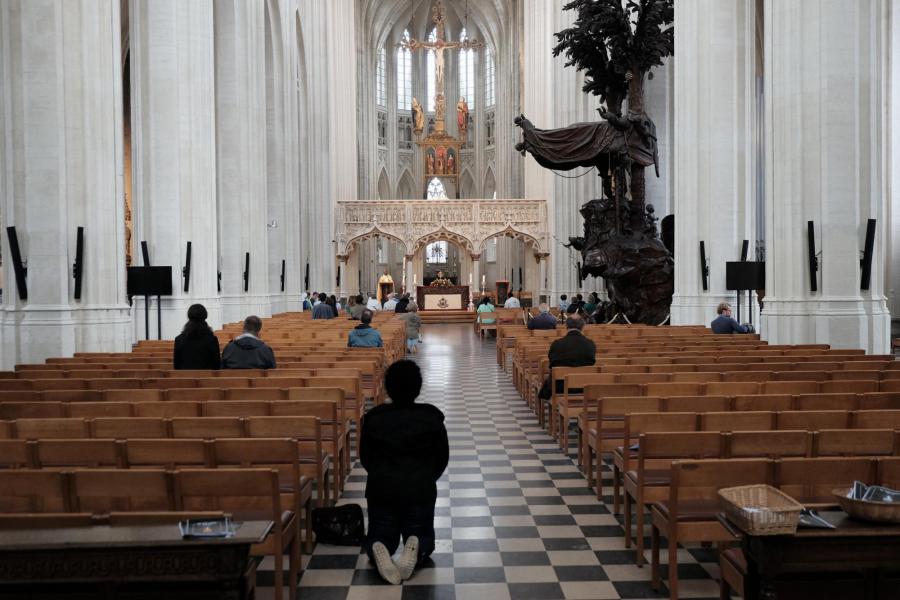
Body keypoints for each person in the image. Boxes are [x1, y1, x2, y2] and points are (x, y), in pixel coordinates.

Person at [360, 360, 449, 585]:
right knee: (421, 529)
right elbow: (442, 457)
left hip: (382, 485)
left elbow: (365, 457)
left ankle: (379, 546)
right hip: (420, 485)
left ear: (388, 387)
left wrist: (380, 473)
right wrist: (428, 476)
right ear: (417, 388)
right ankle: (416, 545)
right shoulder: (431, 417)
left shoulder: (374, 418)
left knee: (380, 529)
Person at [539, 315, 596, 400]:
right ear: (583, 326)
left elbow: (552, 364)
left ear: (566, 326)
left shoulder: (557, 344)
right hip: (584, 385)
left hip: (560, 386)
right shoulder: (590, 344)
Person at [173, 304, 221, 370]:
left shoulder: (179, 340)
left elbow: (176, 366)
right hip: (207, 379)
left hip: (184, 378)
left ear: (189, 316)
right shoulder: (212, 340)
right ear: (205, 316)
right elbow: (217, 365)